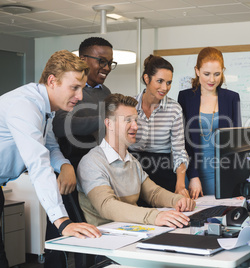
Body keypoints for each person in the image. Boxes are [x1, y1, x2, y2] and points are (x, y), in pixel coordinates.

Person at [0, 50, 102, 268]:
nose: (80, 96)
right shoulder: (24, 106)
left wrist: (65, 165)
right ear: (52, 81)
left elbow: (50, 146)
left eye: (82, 88)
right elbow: (38, 164)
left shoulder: (46, 108)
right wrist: (62, 222)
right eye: (74, 87)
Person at [77, 93, 195, 227]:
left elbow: (153, 193)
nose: (135, 126)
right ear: (109, 124)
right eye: (128, 120)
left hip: (132, 232)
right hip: (104, 237)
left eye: (136, 120)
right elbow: (107, 206)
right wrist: (155, 216)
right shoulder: (91, 162)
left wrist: (178, 200)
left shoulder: (131, 161)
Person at [50, 37, 115, 268]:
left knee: (89, 230)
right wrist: (107, 118)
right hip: (67, 169)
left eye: (110, 63)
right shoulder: (69, 88)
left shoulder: (105, 92)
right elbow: (60, 126)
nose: (106, 68)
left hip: (94, 169)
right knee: (62, 232)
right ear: (82, 59)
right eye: (101, 61)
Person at [178, 47, 242, 199]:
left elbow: (236, 143)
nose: (212, 80)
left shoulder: (232, 98)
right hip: (194, 174)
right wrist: (193, 176)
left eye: (217, 74)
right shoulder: (185, 97)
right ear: (197, 71)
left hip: (223, 173)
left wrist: (238, 183)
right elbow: (182, 141)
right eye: (206, 74)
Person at [128, 55, 190, 199]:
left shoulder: (174, 109)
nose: (165, 88)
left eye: (168, 83)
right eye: (160, 81)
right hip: (132, 171)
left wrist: (180, 185)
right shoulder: (129, 105)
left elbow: (179, 151)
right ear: (146, 79)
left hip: (163, 171)